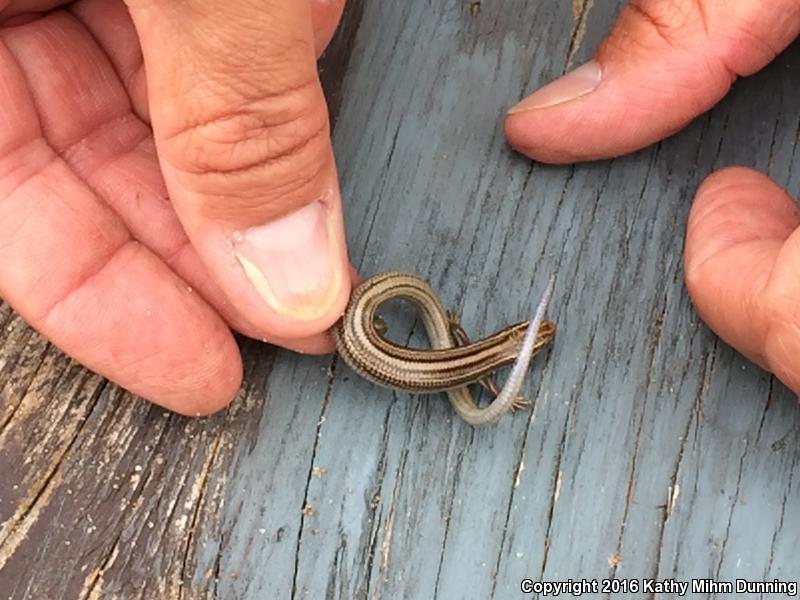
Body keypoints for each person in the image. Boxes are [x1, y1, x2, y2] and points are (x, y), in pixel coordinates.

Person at [0, 0, 797, 414]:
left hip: (377, 335)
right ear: (513, 346)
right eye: (528, 338)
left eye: (529, 339)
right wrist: (250, 151)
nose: (528, 340)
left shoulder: (474, 359)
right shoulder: (471, 360)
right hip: (371, 330)